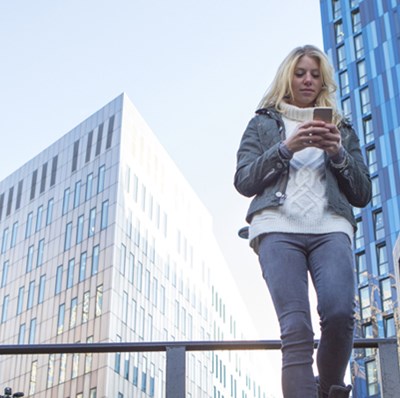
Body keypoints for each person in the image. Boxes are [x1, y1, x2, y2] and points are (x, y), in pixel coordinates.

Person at [234, 45, 371, 398]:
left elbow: (362, 193)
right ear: (287, 78)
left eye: (314, 73)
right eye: (299, 73)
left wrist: (338, 153)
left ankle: (327, 389)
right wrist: (286, 148)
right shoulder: (262, 123)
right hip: (277, 229)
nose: (307, 79)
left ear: (323, 80)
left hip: (331, 228)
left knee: (340, 315)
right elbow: (244, 180)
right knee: (296, 329)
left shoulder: (343, 128)